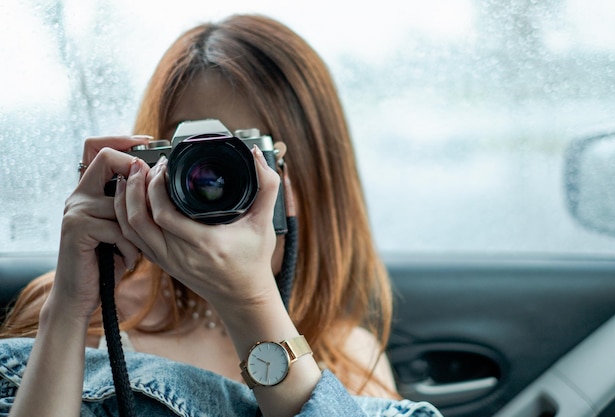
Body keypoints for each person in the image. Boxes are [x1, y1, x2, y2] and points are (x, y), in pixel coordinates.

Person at [0, 14, 442, 417]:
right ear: (149, 163)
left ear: (303, 177)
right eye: (190, 156)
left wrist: (250, 303)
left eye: (246, 156)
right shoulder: (84, 309)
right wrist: (67, 309)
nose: (213, 180)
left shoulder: (350, 352)